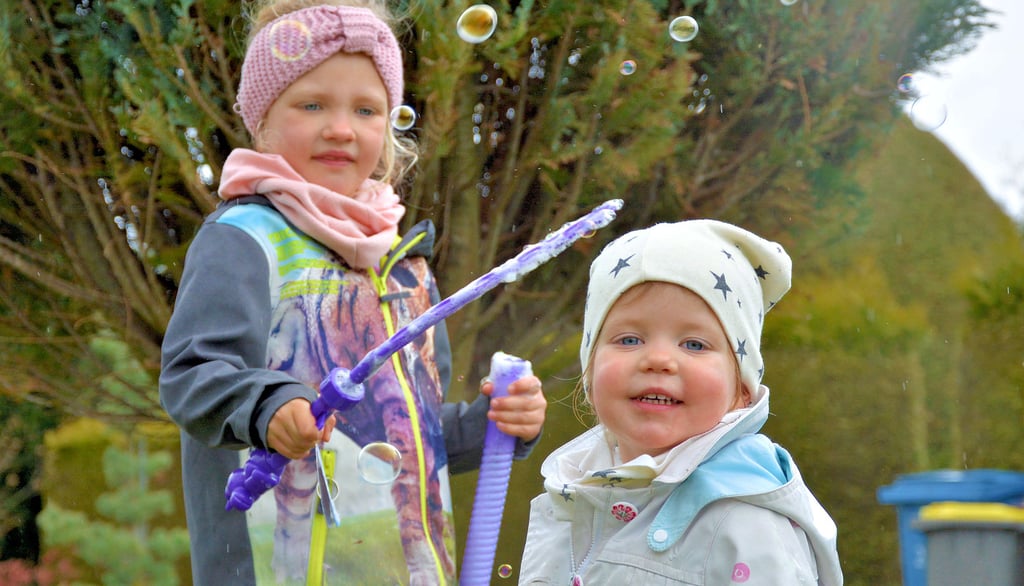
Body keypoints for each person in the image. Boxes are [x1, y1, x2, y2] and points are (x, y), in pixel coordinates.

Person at [159, 1, 546, 584]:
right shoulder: (242, 240)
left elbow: (416, 430)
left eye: (366, 110)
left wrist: (497, 426)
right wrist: (268, 407)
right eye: (311, 104)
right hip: (275, 570)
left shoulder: (403, 263)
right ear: (263, 119)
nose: (341, 127)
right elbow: (192, 374)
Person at [518, 220, 843, 585]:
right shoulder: (570, 499)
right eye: (628, 340)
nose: (658, 359)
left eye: (694, 344)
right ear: (590, 371)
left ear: (743, 388)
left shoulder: (747, 521)